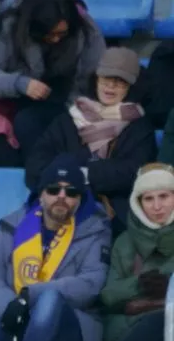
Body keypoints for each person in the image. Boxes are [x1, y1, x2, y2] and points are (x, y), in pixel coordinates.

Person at [0, 153, 111, 341]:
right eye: (53, 189)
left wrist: (30, 296)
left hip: (68, 325)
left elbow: (91, 283)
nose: (61, 196)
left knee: (49, 301)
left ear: (79, 199)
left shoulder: (95, 229)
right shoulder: (13, 226)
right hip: (11, 315)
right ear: (41, 195)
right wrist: (12, 306)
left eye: (70, 192)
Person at [26, 47, 157, 231]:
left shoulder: (139, 127)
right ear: (96, 79)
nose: (110, 86)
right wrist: (71, 179)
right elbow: (36, 165)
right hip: (61, 204)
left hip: (113, 214)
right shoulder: (67, 120)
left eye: (119, 82)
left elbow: (135, 172)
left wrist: (83, 173)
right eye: (105, 78)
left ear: (130, 87)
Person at [0, 0, 105, 164]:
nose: (55, 40)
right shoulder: (10, 25)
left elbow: (94, 77)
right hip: (16, 100)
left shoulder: (86, 30)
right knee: (7, 133)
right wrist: (19, 83)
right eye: (49, 35)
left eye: (61, 35)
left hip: (70, 100)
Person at [101, 163, 174, 341]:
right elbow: (108, 295)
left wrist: (169, 287)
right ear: (137, 202)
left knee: (161, 320)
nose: (157, 206)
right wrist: (140, 283)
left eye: (164, 196)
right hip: (127, 328)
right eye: (148, 198)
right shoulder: (125, 241)